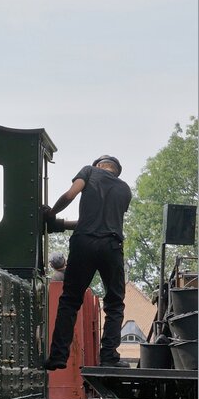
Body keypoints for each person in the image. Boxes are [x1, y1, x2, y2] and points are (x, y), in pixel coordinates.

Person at [44, 156, 132, 370]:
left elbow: (70, 195)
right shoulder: (124, 189)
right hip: (111, 246)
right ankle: (109, 357)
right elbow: (103, 223)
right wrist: (62, 224)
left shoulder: (89, 172)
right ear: (116, 171)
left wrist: (51, 214)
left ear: (98, 165)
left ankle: (58, 356)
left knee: (70, 300)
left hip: (83, 243)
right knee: (114, 303)